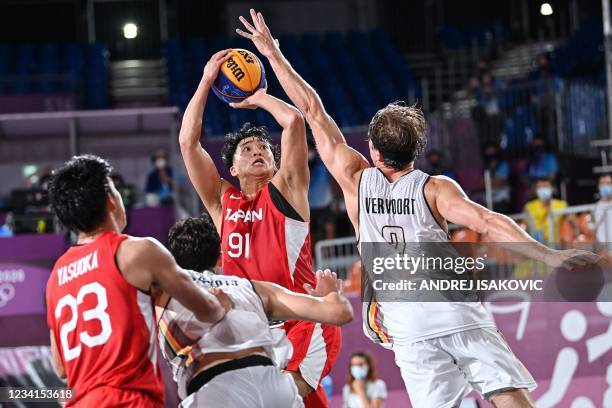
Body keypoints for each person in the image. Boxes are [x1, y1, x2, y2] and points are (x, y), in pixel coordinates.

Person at [236, 9, 593, 407]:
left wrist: (273, 54)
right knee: (509, 396)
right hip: (455, 311)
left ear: (372, 148)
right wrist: (550, 254)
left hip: (407, 324)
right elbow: (490, 222)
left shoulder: (355, 178)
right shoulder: (436, 189)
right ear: (415, 151)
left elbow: (313, 110)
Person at [178, 50, 341, 407]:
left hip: (300, 320)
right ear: (232, 169)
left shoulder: (288, 191)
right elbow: (188, 144)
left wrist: (256, 97)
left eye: (264, 147)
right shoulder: (223, 203)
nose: (258, 151)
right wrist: (207, 81)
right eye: (247, 148)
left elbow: (294, 122)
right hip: (249, 332)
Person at [45, 155, 229, 407]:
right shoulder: (136, 251)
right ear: (110, 199)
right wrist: (221, 303)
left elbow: (60, 368)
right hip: (127, 400)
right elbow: (208, 311)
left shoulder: (56, 275)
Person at [160, 215, 354, 407]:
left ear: (172, 262)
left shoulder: (161, 295)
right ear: (220, 258)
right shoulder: (252, 288)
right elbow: (338, 313)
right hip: (265, 387)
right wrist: (327, 296)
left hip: (207, 393)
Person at [308, 138, 337, 244]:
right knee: (314, 235)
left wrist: (336, 201)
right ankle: (315, 259)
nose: (308, 152)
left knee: (329, 230)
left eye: (309, 149)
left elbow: (332, 183)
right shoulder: (302, 167)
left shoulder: (323, 166)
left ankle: (329, 256)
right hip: (310, 206)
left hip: (326, 204)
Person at [523, 178, 568, 243]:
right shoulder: (529, 207)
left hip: (557, 245)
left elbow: (572, 222)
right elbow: (525, 228)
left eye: (546, 186)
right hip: (537, 245)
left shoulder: (562, 205)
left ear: (553, 189)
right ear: (535, 190)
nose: (543, 190)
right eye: (540, 187)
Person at [482, 143, 511, 214]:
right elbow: (481, 184)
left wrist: (489, 183)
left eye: (493, 153)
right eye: (489, 153)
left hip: (502, 200)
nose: (491, 156)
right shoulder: (485, 168)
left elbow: (499, 182)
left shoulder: (504, 165)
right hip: (488, 201)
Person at [593, 174, 612, 244]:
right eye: (602, 184)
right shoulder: (595, 207)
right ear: (598, 187)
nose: (605, 186)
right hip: (604, 248)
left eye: (608, 183)